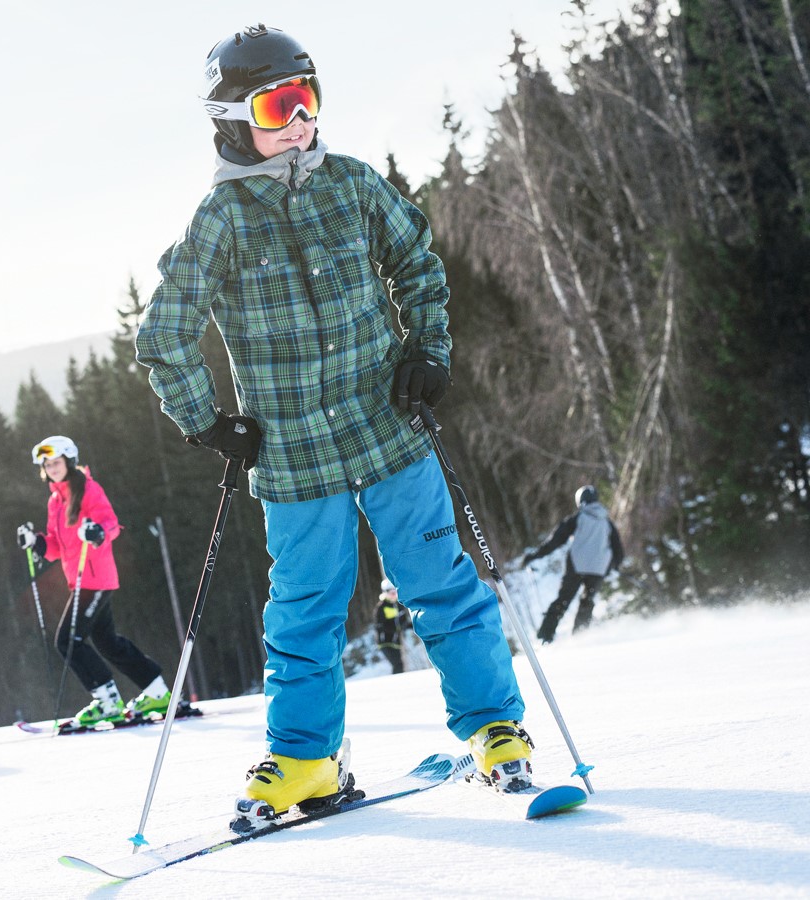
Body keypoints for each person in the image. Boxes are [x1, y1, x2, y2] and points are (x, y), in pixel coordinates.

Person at [135, 24, 533, 812]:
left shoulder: (352, 185)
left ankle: (495, 728)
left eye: (309, 98)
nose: (300, 119)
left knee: (442, 583)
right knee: (306, 611)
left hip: (389, 428)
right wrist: (209, 421)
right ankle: (308, 757)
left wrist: (429, 351)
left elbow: (416, 260)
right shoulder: (222, 220)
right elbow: (163, 334)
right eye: (278, 104)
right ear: (230, 120)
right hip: (293, 457)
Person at [14, 435, 173, 728]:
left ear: (69, 461)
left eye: (56, 462)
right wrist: (35, 541)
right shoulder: (55, 501)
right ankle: (157, 693)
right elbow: (56, 548)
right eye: (47, 464)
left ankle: (108, 701)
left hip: (95, 579)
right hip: (80, 581)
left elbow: (110, 523)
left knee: (68, 639)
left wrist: (98, 532)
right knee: (108, 643)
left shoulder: (87, 489)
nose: (52, 468)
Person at [526, 485, 624, 642]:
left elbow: (556, 540)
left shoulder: (578, 518)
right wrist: (615, 565)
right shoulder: (607, 521)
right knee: (588, 600)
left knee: (563, 600)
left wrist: (535, 555)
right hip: (598, 569)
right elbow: (617, 548)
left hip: (577, 567)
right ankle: (580, 635)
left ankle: (545, 636)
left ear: (580, 501)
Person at [375, 579, 411, 675]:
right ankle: (398, 684)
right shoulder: (382, 607)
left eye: (395, 592)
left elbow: (404, 623)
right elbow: (379, 626)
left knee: (400, 664)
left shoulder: (399, 605)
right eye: (391, 593)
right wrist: (395, 629)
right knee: (397, 664)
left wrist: (413, 626)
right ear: (385, 593)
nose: (393, 595)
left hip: (396, 641)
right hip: (385, 641)